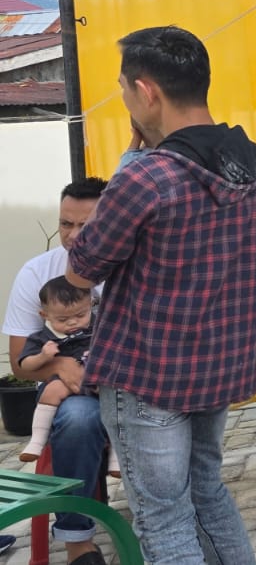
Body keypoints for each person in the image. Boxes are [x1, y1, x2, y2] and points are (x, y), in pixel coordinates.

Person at [67, 25, 256, 563]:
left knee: (163, 517)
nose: (125, 100)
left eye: (123, 89)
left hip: (146, 377)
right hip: (219, 366)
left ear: (146, 91)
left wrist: (126, 167)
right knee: (208, 493)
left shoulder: (147, 176)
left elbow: (84, 267)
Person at [4, 177, 108, 564]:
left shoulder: (132, 267)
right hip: (62, 390)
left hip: (125, 380)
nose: (73, 236)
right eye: (66, 224)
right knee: (80, 419)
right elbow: (18, 364)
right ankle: (78, 540)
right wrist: (61, 362)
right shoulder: (37, 274)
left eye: (86, 226)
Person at [15, 278, 115, 471]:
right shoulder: (43, 338)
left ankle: (117, 460)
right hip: (62, 385)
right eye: (62, 320)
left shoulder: (99, 329)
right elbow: (25, 364)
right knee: (53, 389)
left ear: (91, 305)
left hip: (98, 382)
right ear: (45, 315)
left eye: (80, 315)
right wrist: (44, 357)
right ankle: (37, 440)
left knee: (118, 401)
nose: (73, 322)